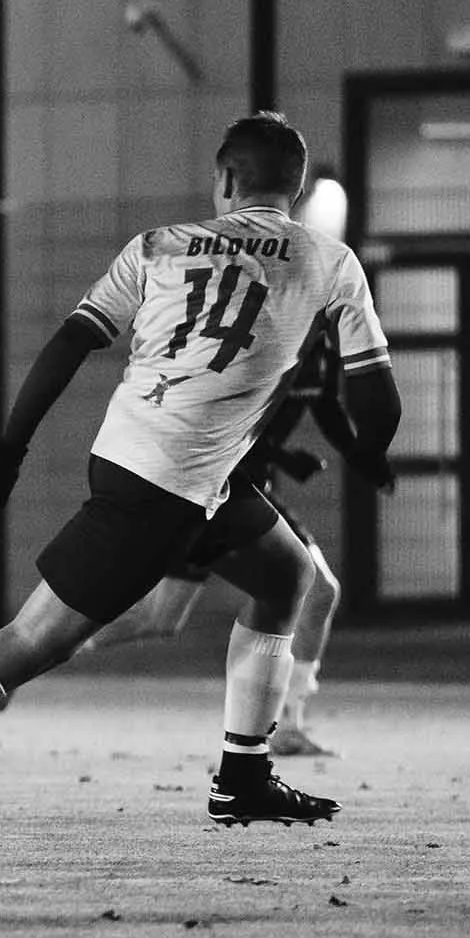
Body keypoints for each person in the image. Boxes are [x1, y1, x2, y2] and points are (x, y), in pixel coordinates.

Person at [0, 113, 400, 849]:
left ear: (225, 179)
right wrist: (373, 445)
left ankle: (243, 776)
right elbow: (376, 402)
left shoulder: (158, 246)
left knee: (287, 574)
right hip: (164, 482)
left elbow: (72, 339)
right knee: (36, 639)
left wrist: (9, 449)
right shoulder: (330, 260)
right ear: (298, 185)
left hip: (171, 466)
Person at [73, 318, 353, 755]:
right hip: (212, 487)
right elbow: (222, 417)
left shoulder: (321, 352)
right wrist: (285, 455)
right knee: (163, 618)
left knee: (163, 618)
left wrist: (366, 454)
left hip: (251, 491)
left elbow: (330, 409)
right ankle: (44, 645)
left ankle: (286, 725)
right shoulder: (260, 339)